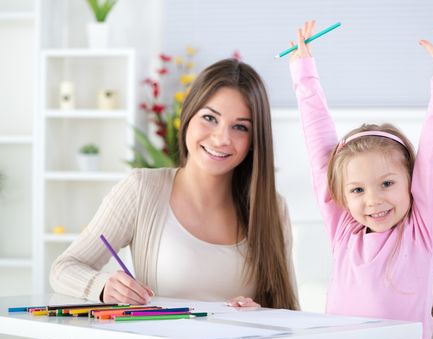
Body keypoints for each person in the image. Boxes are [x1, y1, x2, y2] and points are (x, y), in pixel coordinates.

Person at [50, 58, 299, 310]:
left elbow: (287, 310)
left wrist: (262, 315)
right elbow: (63, 269)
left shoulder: (273, 209)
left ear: (255, 139)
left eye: (240, 127)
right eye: (210, 118)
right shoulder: (142, 189)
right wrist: (103, 286)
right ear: (188, 116)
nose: (222, 138)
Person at [289, 20, 433, 339]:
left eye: (387, 183)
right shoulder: (344, 228)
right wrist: (303, 72)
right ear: (343, 195)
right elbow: (319, 147)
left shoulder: (421, 230)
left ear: (412, 181)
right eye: (357, 190)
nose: (373, 199)